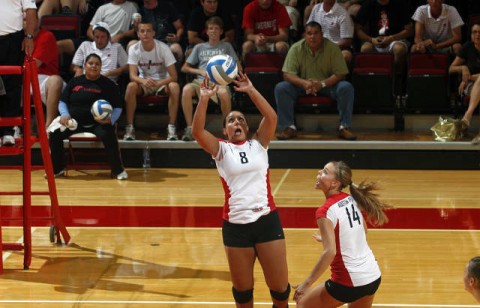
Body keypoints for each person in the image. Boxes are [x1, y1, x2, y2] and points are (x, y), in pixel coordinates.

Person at [191, 73, 290, 307]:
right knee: (243, 294)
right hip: (236, 226)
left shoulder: (259, 144)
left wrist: (251, 89)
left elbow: (271, 116)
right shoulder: (221, 150)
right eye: (231, 121)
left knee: (280, 292)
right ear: (225, 131)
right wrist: (204, 98)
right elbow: (197, 132)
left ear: (247, 127)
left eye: (241, 120)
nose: (236, 123)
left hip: (267, 221)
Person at [293, 160, 392, 308]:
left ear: (335, 183)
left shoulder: (324, 211)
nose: (319, 173)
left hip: (349, 281)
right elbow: (363, 230)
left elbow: (329, 252)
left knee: (303, 305)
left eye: (325, 172)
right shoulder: (350, 198)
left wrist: (306, 284)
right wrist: (333, 237)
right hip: (372, 276)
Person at [48, 53, 128, 180]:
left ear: (101, 67)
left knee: (109, 134)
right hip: (74, 122)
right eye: (91, 63)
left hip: (98, 124)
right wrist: (65, 115)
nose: (94, 66)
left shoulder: (109, 85)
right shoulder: (75, 82)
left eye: (97, 64)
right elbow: (63, 101)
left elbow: (118, 107)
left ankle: (117, 170)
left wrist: (110, 120)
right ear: (85, 65)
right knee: (55, 133)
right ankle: (57, 169)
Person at [275, 21, 356, 141]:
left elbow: (340, 73)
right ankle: (288, 127)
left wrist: (321, 84)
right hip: (302, 86)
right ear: (304, 35)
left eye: (316, 33)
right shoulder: (296, 48)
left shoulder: (332, 48)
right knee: (281, 88)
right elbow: (287, 74)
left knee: (346, 87)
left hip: (327, 85)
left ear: (322, 34)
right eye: (309, 33)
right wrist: (304, 83)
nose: (312, 36)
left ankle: (344, 127)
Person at [180, 16, 241, 141]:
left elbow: (238, 67)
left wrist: (230, 74)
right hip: (201, 81)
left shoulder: (226, 46)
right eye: (211, 28)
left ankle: (226, 128)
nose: (213, 31)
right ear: (206, 32)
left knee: (224, 93)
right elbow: (184, 68)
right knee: (186, 89)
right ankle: (190, 128)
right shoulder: (199, 47)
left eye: (216, 28)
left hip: (219, 81)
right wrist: (200, 71)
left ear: (221, 31)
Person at [124, 21, 180, 141]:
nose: (145, 34)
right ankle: (129, 128)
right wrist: (143, 81)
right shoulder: (134, 49)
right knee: (131, 86)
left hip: (161, 82)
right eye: (142, 31)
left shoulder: (163, 48)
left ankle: (171, 127)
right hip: (144, 82)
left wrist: (159, 83)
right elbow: (132, 75)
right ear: (138, 34)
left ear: (154, 33)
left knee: (174, 86)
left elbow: (174, 76)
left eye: (149, 31)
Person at [354, 0, 413, 94]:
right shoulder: (368, 4)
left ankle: (396, 82)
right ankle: (371, 81)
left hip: (395, 39)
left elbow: (409, 31)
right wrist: (371, 39)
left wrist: (391, 38)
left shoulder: (400, 4)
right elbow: (357, 29)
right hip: (374, 39)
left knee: (399, 49)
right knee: (365, 49)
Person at [0, 0, 37, 146]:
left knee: (12, 84)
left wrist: (29, 37)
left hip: (12, 39)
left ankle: (8, 131)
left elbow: (31, 10)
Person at [31, 17, 66, 127]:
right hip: (24, 78)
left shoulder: (46, 36)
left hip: (45, 79)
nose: (26, 22)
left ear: (37, 21)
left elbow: (34, 64)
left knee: (55, 81)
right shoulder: (17, 39)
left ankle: (49, 127)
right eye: (24, 20)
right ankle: (12, 128)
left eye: (29, 19)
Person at [448, 23, 480, 144]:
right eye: (474, 32)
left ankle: (467, 116)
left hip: (470, 81)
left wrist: (469, 77)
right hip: (471, 87)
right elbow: (451, 68)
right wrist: (463, 68)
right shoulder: (467, 47)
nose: (477, 35)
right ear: (471, 35)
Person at [306, 0, 355, 65]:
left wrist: (327, 48)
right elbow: (308, 29)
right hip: (317, 45)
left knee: (345, 56)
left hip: (337, 48)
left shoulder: (343, 14)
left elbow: (347, 41)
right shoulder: (316, 8)